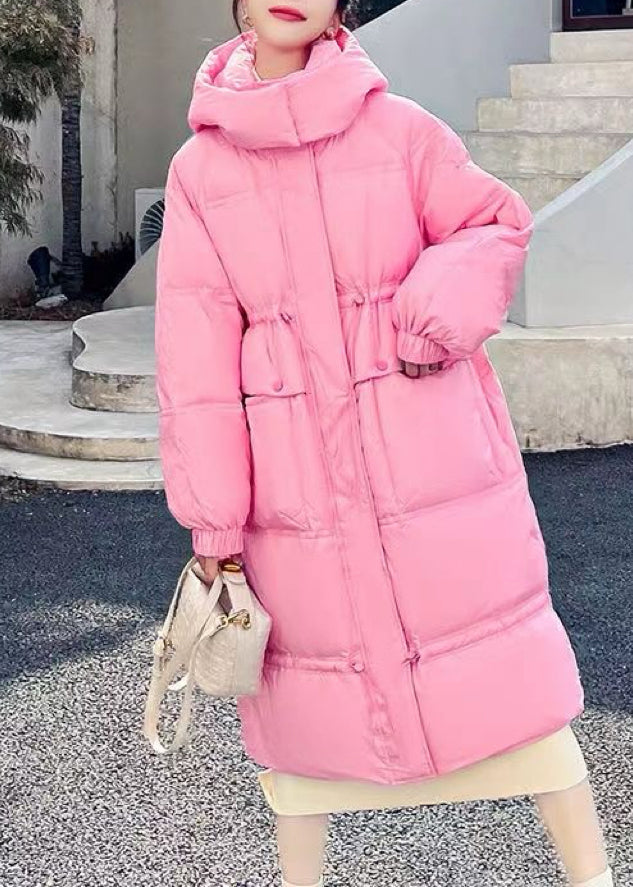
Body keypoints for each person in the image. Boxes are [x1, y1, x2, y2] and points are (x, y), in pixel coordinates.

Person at [153, 2, 614, 885]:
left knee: (527, 717)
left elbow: (492, 222)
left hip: (432, 459)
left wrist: (430, 314)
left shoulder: (399, 130)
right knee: (304, 751)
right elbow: (194, 362)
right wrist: (213, 521)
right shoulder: (199, 170)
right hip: (294, 493)